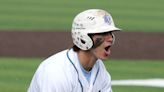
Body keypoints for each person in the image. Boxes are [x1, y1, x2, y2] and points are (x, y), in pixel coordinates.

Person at [28, 9, 121, 92]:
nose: (110, 38)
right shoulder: (56, 72)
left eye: (110, 33)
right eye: (103, 33)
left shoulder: (100, 71)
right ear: (83, 38)